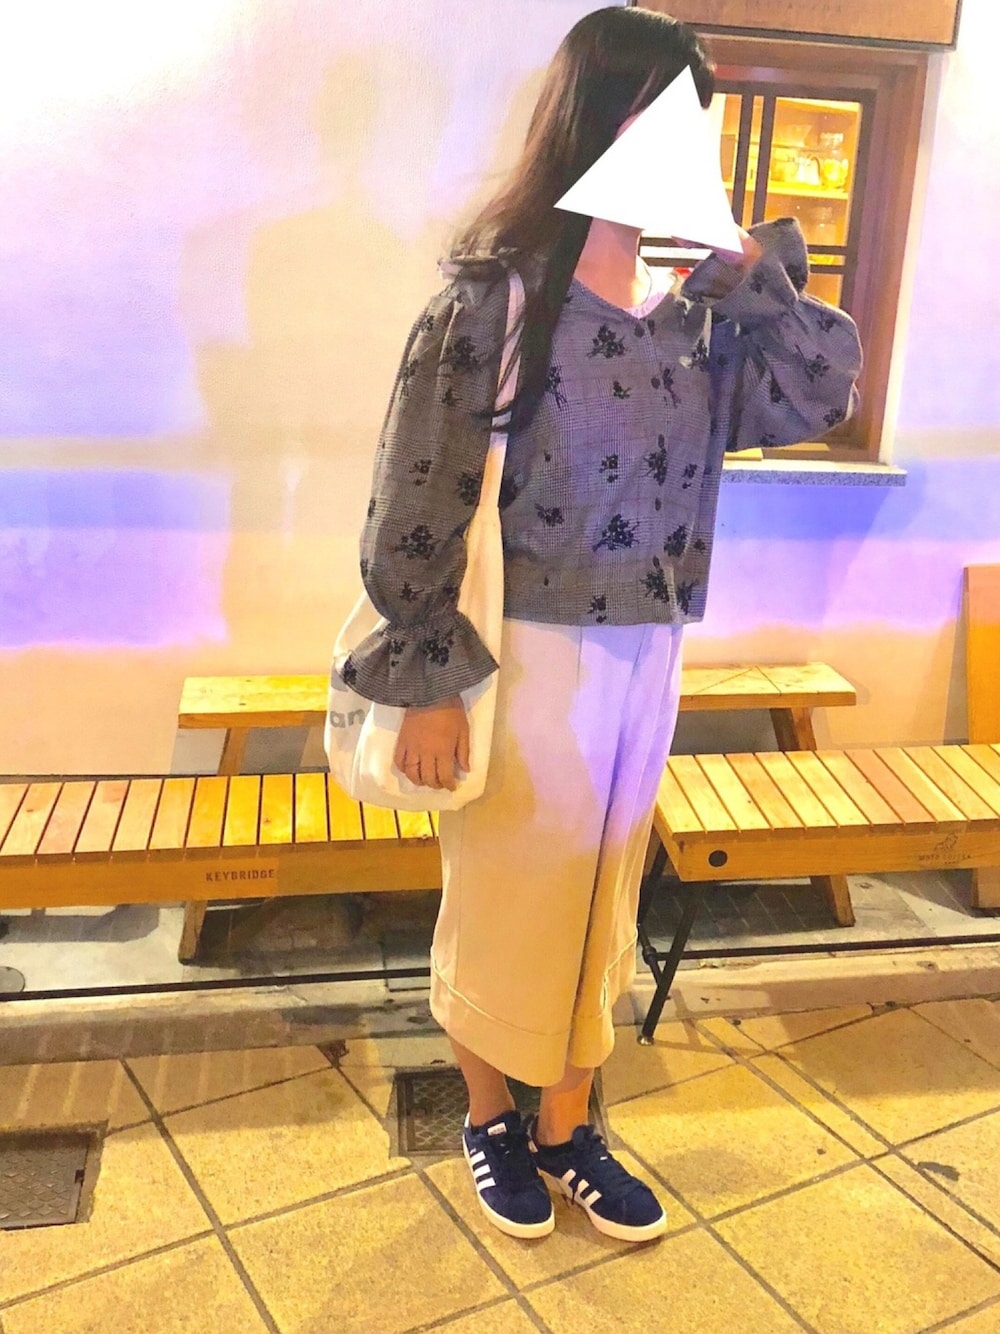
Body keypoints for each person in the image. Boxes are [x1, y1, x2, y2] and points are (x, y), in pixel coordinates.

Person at [340, 7, 862, 1243]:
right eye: (655, 115)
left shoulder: (696, 317)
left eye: (696, 118)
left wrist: (740, 262)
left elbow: (821, 387)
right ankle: (487, 1114)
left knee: (601, 902)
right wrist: (427, 679)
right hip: (523, 653)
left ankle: (567, 1125)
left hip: (651, 647)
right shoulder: (495, 305)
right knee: (507, 897)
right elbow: (415, 494)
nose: (680, 141)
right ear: (593, 124)